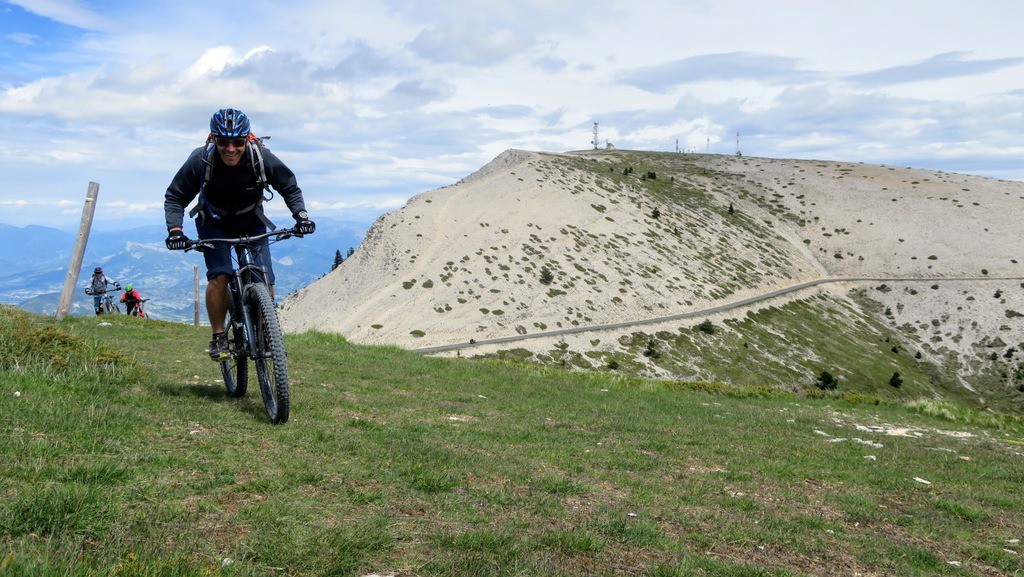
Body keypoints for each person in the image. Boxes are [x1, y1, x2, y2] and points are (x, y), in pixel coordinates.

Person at [163, 108, 315, 360]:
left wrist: (301, 217)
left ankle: (268, 333)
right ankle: (219, 336)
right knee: (220, 275)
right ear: (214, 139)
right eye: (223, 141)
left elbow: (289, 187)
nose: (230, 148)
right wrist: (175, 230)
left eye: (237, 141)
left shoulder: (261, 157)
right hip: (213, 221)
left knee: (263, 277)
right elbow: (175, 197)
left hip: (251, 219)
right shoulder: (201, 159)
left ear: (247, 139)